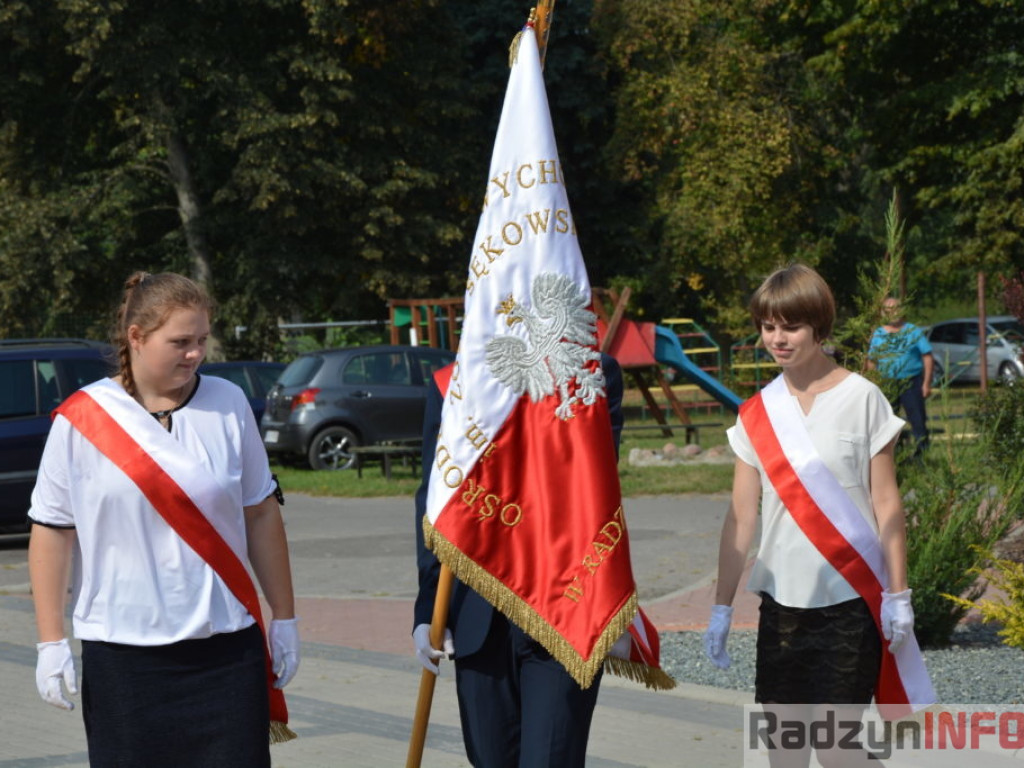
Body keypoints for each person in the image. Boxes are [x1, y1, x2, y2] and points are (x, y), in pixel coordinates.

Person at [28, 271, 299, 767]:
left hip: (226, 653)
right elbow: (51, 531)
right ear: (136, 337)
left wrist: (284, 616)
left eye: (201, 340)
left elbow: (261, 513)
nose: (195, 354)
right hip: (125, 661)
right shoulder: (81, 419)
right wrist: (50, 640)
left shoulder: (229, 403)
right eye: (180, 342)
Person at [704, 264, 927, 767]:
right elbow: (740, 517)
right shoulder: (756, 413)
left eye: (791, 326)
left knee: (836, 751)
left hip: (848, 606)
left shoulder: (862, 398)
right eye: (768, 326)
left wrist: (898, 595)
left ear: (819, 326)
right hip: (781, 607)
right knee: (784, 752)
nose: (777, 339)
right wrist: (721, 607)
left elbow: (887, 504)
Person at [413, 353, 624, 768]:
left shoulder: (590, 372)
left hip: (563, 609)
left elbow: (588, 480)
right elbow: (434, 501)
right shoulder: (453, 383)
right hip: (475, 614)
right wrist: (427, 609)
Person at [867, 296, 934, 455]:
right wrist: (874, 383)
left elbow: (927, 356)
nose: (893, 313)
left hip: (911, 382)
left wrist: (926, 383)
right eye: (888, 310)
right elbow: (871, 360)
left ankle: (922, 456)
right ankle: (893, 456)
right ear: (883, 313)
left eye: (896, 308)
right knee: (887, 422)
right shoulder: (878, 334)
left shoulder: (913, 331)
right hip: (887, 383)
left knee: (918, 419)